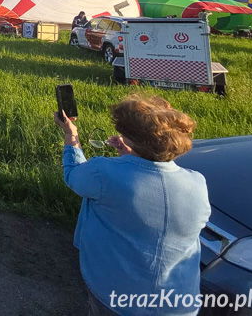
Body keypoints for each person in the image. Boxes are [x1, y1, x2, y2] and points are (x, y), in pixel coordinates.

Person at [55, 95, 210, 316]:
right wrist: (133, 155)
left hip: (117, 297)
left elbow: (74, 174)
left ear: (133, 139)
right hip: (179, 303)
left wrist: (71, 136)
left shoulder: (104, 172)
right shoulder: (197, 182)